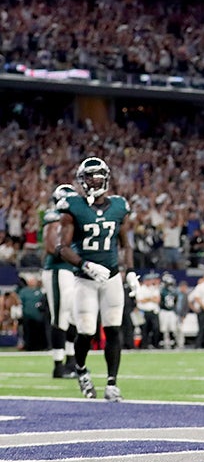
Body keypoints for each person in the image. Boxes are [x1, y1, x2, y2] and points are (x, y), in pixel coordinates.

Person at [56, 157, 139, 402]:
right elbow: (63, 248)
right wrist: (85, 264)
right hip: (85, 279)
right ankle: (81, 370)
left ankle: (112, 382)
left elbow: (126, 244)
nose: (94, 180)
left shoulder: (118, 206)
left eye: (98, 175)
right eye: (90, 176)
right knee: (86, 331)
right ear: (82, 180)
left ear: (106, 177)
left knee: (114, 328)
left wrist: (131, 271)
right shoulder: (73, 206)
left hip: (111, 277)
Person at [42, 183, 80, 377]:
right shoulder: (53, 217)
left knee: (73, 316)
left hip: (70, 271)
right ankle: (58, 365)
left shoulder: (71, 219)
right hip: (57, 270)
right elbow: (51, 246)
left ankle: (71, 362)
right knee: (60, 316)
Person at [135, 271, 161, 349]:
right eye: (148, 280)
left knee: (156, 328)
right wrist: (151, 298)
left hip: (153, 311)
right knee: (144, 330)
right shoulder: (140, 289)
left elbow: (157, 300)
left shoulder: (154, 288)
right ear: (145, 281)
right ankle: (144, 345)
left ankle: (155, 344)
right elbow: (140, 300)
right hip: (144, 312)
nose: (150, 282)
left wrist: (147, 298)